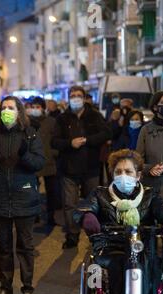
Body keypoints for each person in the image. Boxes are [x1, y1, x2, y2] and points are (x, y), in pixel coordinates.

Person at [73, 149, 163, 294]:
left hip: (143, 246)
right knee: (115, 269)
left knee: (155, 270)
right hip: (109, 246)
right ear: (112, 175)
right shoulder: (100, 193)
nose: (122, 176)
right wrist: (87, 215)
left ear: (138, 175)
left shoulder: (150, 195)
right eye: (118, 172)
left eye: (128, 171)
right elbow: (86, 207)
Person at [0, 96, 44, 294]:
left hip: (24, 197)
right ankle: (5, 287)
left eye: (11, 107)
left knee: (26, 247)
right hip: (0, 197)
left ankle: (27, 287)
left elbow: (38, 163)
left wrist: (24, 154)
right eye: (3, 108)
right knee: (3, 247)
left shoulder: (29, 134)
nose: (6, 111)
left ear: (19, 111)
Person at [51, 85, 112, 249]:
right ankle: (72, 235)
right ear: (69, 98)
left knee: (92, 202)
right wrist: (70, 143)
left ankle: (95, 234)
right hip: (68, 169)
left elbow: (106, 133)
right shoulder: (62, 118)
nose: (75, 97)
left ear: (84, 98)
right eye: (73, 95)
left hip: (90, 167)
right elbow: (54, 141)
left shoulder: (94, 116)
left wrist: (87, 140)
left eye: (79, 95)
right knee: (70, 204)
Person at [31, 97, 61, 226]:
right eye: (33, 107)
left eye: (38, 107)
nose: (35, 109)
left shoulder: (51, 121)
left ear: (43, 108)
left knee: (51, 192)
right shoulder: (28, 122)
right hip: (33, 161)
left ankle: (50, 216)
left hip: (49, 161)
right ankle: (35, 215)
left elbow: (56, 139)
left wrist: (54, 154)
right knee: (33, 191)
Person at [137, 91, 163, 201]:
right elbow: (137, 160)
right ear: (155, 107)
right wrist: (149, 168)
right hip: (151, 187)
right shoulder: (146, 130)